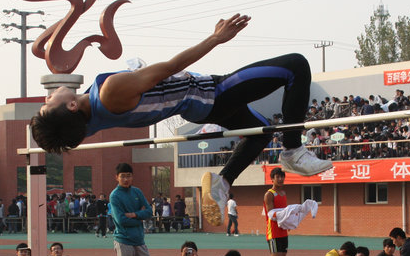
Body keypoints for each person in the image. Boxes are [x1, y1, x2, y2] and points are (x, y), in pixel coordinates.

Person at [28, 14, 332, 229]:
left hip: (202, 107)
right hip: (213, 93)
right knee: (296, 66)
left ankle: (222, 183)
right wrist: (216, 38)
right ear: (69, 105)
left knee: (260, 132)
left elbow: (64, 133)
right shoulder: (108, 93)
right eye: (46, 106)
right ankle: (292, 150)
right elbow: (172, 65)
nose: (45, 98)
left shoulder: (86, 123)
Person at [263, 167, 292, 256]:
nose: (280, 179)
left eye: (282, 177)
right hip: (273, 233)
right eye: (277, 177)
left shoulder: (284, 193)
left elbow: (284, 212)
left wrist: (290, 221)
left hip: (283, 232)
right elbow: (271, 213)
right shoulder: (269, 194)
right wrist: (285, 216)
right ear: (272, 178)